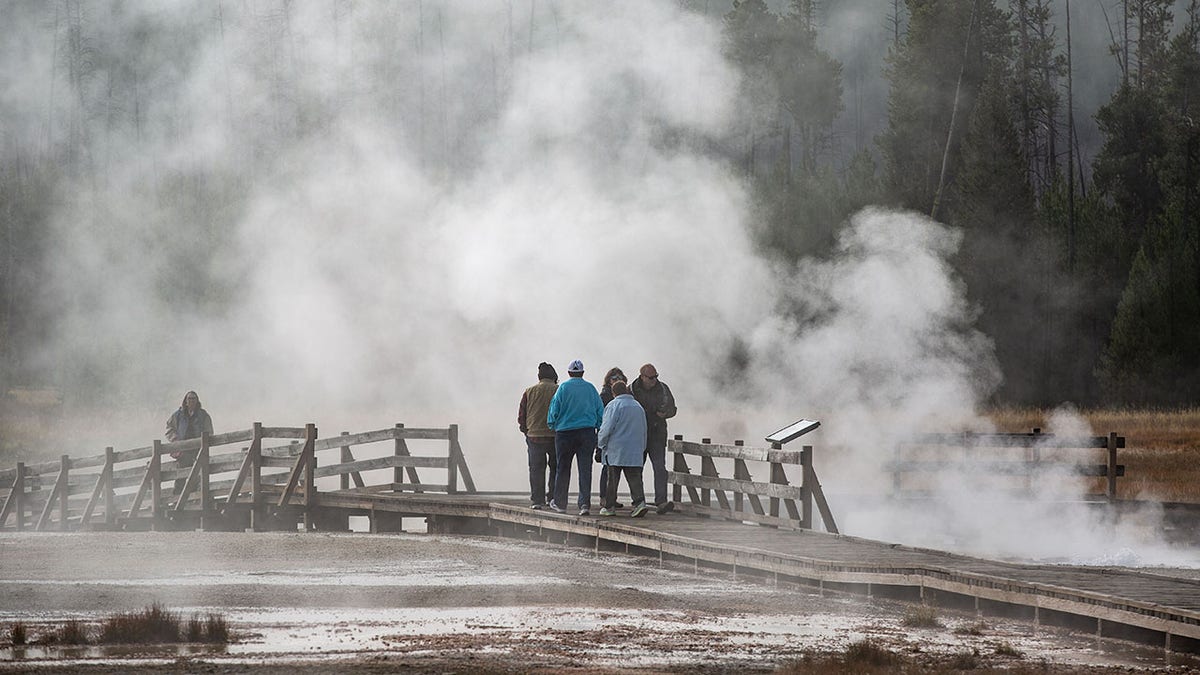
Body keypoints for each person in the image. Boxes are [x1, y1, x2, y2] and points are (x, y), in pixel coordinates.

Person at [546, 359, 604, 516]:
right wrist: (597, 426)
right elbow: (600, 410)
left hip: (565, 433)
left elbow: (554, 408)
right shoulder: (591, 388)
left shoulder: (563, 387)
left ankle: (560, 503)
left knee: (563, 468)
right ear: (582, 373)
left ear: (569, 372)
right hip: (586, 432)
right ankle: (584, 504)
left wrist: (552, 425)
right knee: (585, 469)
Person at [597, 380, 648, 518]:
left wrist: (600, 444)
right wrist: (642, 447)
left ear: (613, 393)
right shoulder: (638, 406)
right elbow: (644, 429)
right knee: (635, 478)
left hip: (616, 450)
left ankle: (609, 507)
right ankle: (639, 503)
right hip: (634, 450)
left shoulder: (613, 405)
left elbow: (606, 428)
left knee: (612, 480)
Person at [630, 363, 677, 514]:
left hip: (657, 435)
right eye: (651, 378)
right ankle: (639, 501)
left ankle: (661, 501)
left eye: (656, 376)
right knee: (637, 469)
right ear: (642, 376)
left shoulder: (663, 389)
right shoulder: (631, 390)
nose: (654, 380)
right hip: (639, 436)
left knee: (660, 468)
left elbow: (673, 409)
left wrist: (666, 414)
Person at [518, 362, 559, 509]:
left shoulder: (529, 391)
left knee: (536, 468)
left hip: (534, 435)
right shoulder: (559, 390)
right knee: (555, 467)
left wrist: (526, 430)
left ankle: (537, 500)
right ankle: (553, 497)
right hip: (555, 435)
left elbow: (522, 414)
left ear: (539, 376)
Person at [164, 390, 214, 494]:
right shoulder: (178, 415)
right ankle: (177, 497)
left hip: (198, 450)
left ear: (197, 401)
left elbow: (209, 431)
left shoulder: (203, 415)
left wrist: (204, 441)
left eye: (193, 399)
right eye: (189, 399)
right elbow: (169, 428)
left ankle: (195, 497)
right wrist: (175, 439)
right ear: (185, 401)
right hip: (182, 450)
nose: (191, 401)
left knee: (197, 474)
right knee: (181, 474)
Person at [595, 367, 628, 507]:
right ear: (608, 381)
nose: (617, 380)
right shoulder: (604, 396)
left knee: (615, 469)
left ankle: (611, 497)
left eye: (620, 378)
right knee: (607, 468)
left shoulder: (625, 396)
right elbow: (601, 418)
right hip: (607, 435)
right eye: (614, 378)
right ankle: (604, 497)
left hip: (619, 435)